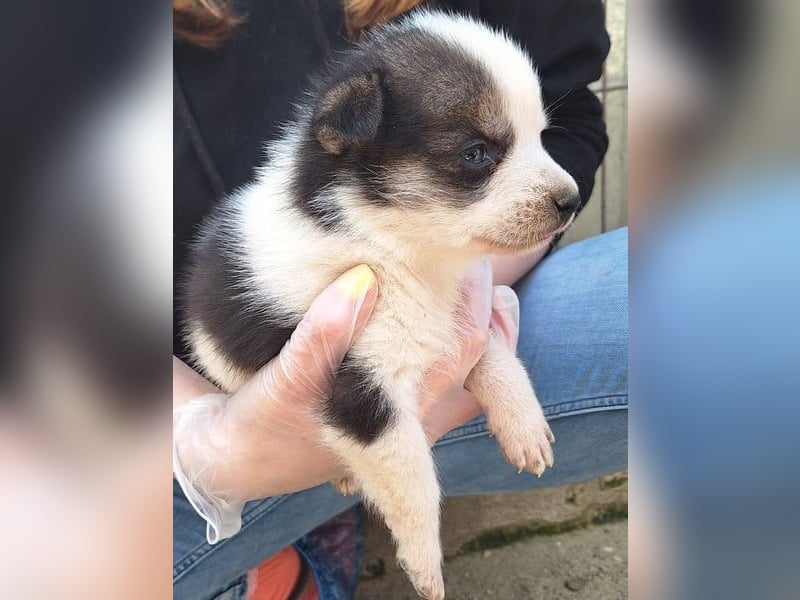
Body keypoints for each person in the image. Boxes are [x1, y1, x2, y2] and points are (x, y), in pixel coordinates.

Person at [173, 1, 627, 598]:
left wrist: (478, 284)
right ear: (354, 148)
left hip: (397, 400)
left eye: (535, 138)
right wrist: (206, 441)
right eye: (478, 154)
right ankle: (286, 553)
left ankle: (301, 546)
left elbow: (574, 123)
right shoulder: (313, 253)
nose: (557, 188)